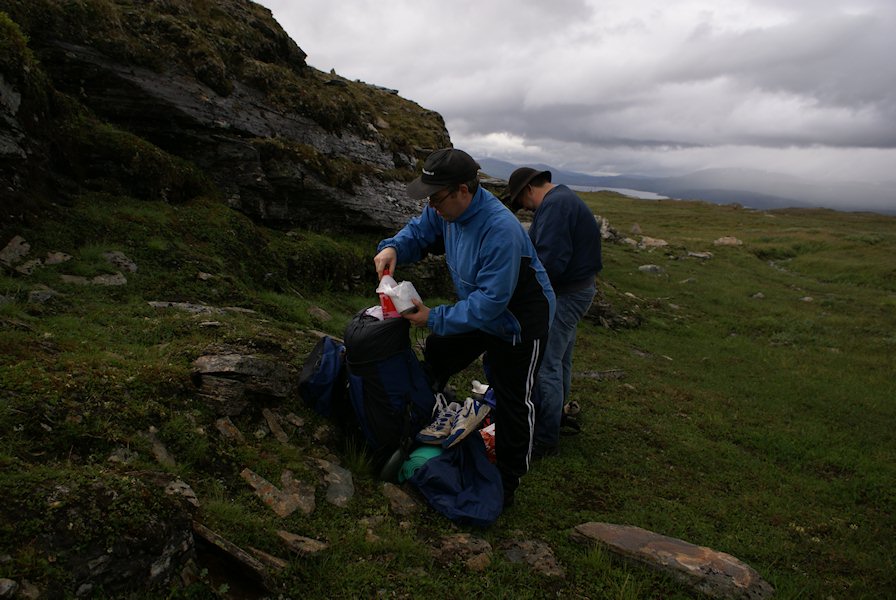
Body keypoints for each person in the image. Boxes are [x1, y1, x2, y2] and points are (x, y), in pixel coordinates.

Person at [374, 148, 556, 508]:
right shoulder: (444, 208)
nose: (432, 206)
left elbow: (491, 303)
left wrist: (434, 317)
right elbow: (420, 231)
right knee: (439, 351)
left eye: (436, 197)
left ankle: (507, 483)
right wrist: (394, 247)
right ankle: (422, 417)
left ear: (462, 190)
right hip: (480, 307)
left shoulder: (500, 230)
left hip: (519, 322)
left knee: (512, 398)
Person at [504, 167, 602, 459]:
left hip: (566, 294)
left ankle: (545, 438)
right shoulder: (561, 198)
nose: (525, 208)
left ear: (528, 189)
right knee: (560, 359)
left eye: (521, 202)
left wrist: (526, 294)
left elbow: (551, 261)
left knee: (547, 363)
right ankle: (555, 417)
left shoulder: (555, 206)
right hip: (579, 289)